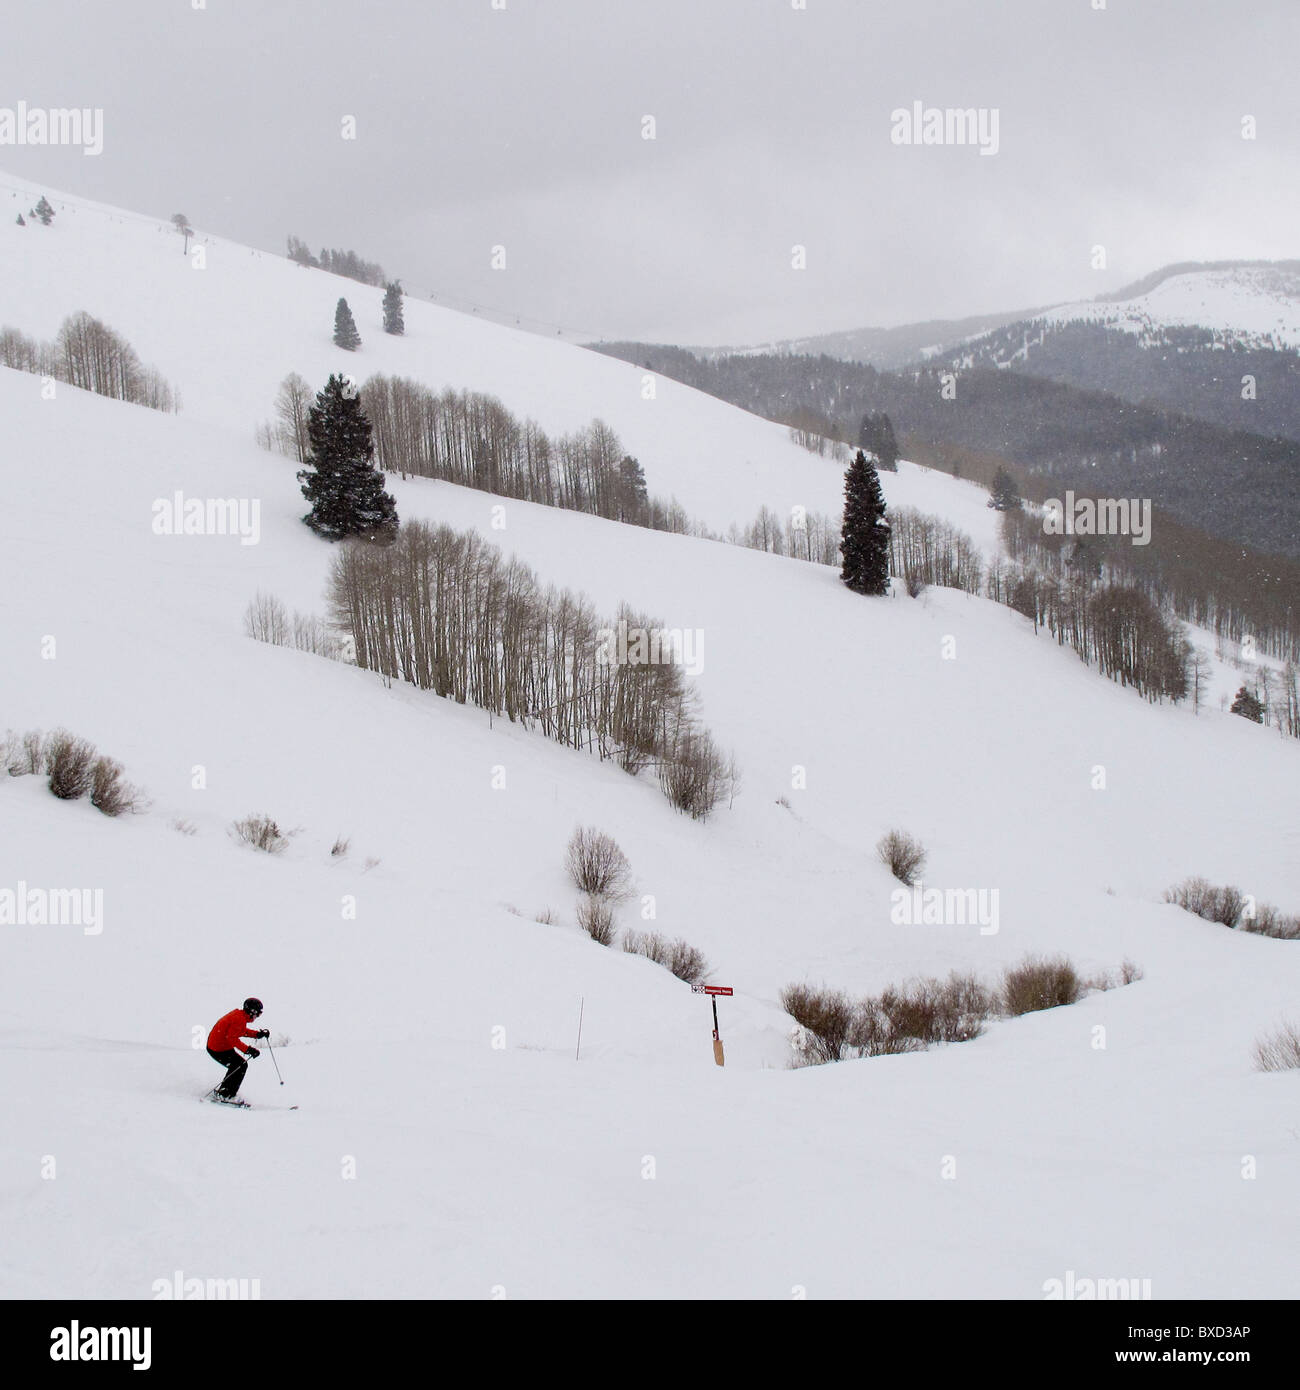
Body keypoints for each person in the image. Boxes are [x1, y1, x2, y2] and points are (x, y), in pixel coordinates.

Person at [206, 997, 269, 1103]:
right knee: (240, 1066)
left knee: (239, 1065)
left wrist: (258, 1034)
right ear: (251, 1012)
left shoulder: (239, 1016)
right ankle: (225, 1095)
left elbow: (240, 1031)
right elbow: (232, 1039)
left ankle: (225, 1092)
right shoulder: (239, 1019)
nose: (257, 1016)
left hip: (220, 1046)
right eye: (258, 1014)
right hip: (218, 1048)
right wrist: (248, 1050)